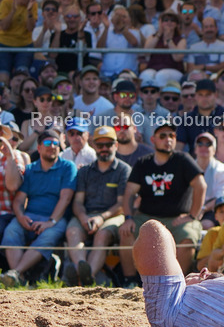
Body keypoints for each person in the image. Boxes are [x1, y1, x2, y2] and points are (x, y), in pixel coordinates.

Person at [119, 117, 206, 285]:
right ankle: (129, 282)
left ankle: (177, 283)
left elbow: (200, 185)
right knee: (125, 232)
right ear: (153, 140)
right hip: (146, 217)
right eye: (163, 136)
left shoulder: (183, 159)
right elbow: (129, 192)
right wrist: (128, 218)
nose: (168, 140)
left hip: (178, 218)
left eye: (172, 136)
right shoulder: (143, 163)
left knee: (188, 237)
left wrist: (192, 216)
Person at [0, 130, 77, 287]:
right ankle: (19, 277)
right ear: (39, 148)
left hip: (56, 218)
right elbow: (19, 200)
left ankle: (15, 273)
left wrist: (51, 221)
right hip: (30, 215)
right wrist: (21, 217)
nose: (52, 147)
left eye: (56, 143)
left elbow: (66, 198)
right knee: (11, 231)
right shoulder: (31, 169)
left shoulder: (68, 167)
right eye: (48, 143)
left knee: (47, 236)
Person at [63, 125, 131, 286]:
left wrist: (101, 218)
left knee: (102, 235)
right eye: (100, 145)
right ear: (95, 146)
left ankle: (85, 278)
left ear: (116, 145)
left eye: (108, 144)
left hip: (114, 216)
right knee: (72, 231)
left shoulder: (124, 170)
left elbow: (122, 204)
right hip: (86, 214)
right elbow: (78, 202)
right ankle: (84, 272)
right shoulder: (85, 171)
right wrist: (84, 217)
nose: (104, 149)